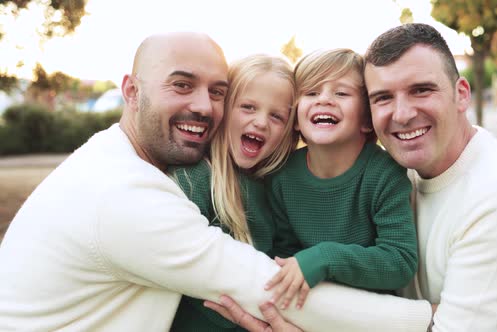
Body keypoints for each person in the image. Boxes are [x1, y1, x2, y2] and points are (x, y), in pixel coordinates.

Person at [0, 32, 432, 332]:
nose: (203, 106)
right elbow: (264, 289)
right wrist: (424, 319)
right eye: (181, 85)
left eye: (216, 91)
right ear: (131, 91)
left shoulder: (121, 159)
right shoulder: (127, 196)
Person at [363, 23, 497, 331]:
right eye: (383, 97)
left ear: (461, 94)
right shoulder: (388, 177)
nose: (402, 114)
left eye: (421, 90)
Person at [265, 48, 418, 310]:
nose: (324, 99)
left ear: (367, 120)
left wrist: (325, 257)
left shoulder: (384, 174)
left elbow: (400, 261)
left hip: (371, 314)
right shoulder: (282, 177)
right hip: (312, 308)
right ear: (296, 120)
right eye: (311, 92)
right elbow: (284, 256)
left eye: (341, 93)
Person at [168, 54, 299, 331]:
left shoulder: (276, 187)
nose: (261, 122)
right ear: (224, 110)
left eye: (276, 116)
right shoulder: (193, 180)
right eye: (248, 107)